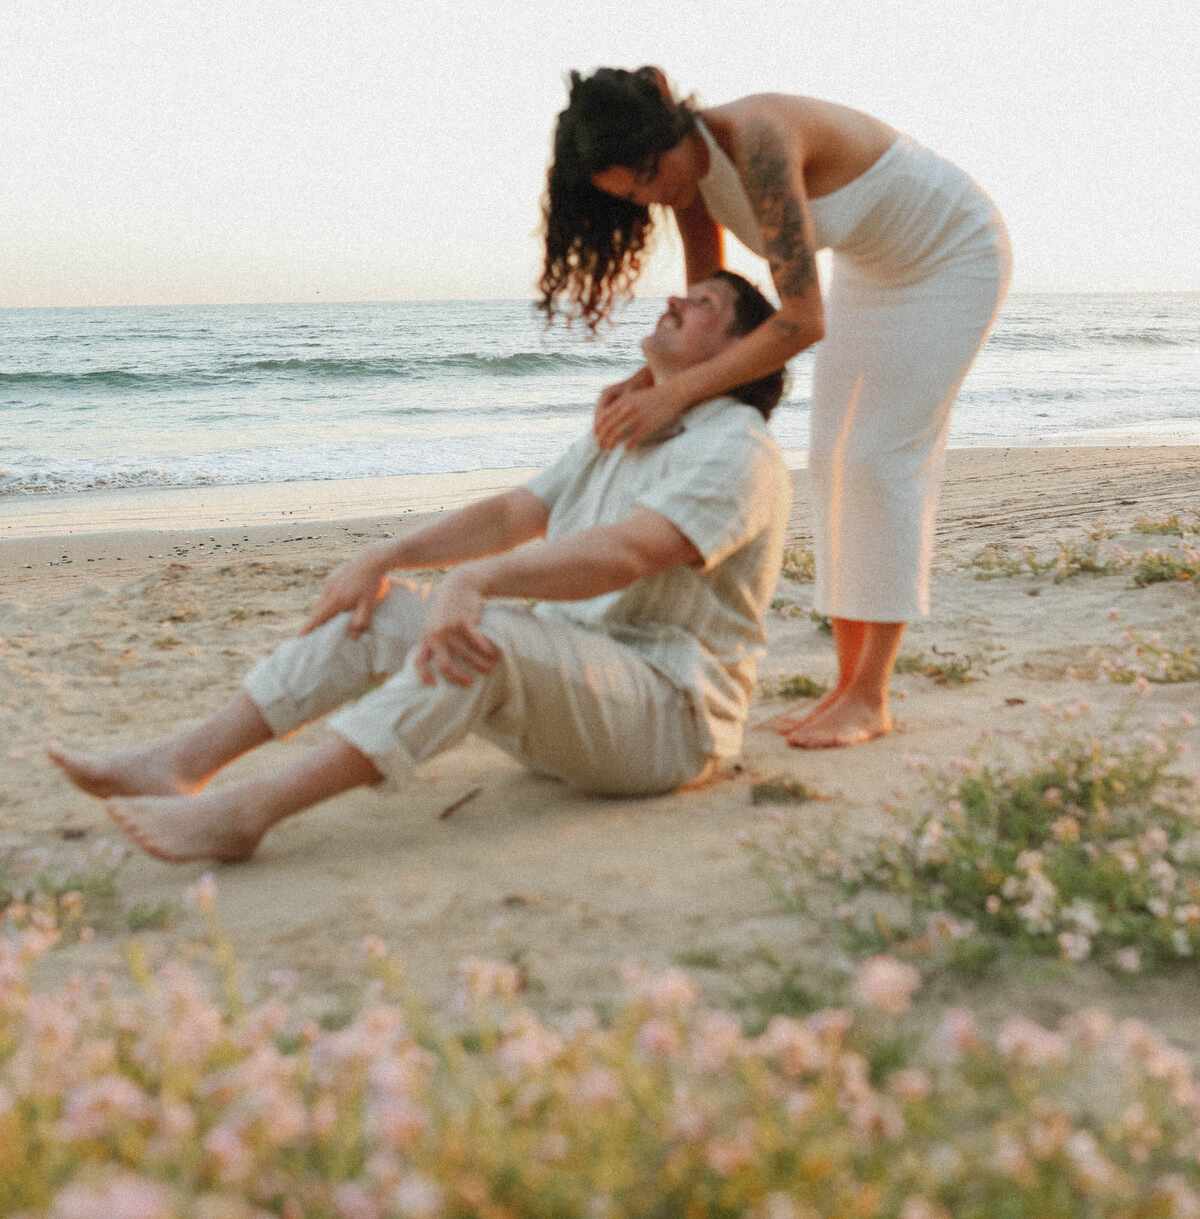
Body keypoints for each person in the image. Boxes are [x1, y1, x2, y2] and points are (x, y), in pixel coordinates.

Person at [46, 273, 791, 864]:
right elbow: (511, 515)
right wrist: (385, 554)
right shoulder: (628, 427)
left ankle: (246, 814)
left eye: (701, 304)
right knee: (391, 606)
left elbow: (630, 552)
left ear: (741, 350)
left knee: (484, 629)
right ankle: (179, 763)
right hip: (577, 700)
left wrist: (479, 581)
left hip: (669, 719)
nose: (674, 302)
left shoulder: (738, 447)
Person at [541, 67, 1012, 747]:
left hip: (951, 254)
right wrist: (648, 378)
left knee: (878, 461)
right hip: (872, 269)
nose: (655, 193)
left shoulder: (758, 139)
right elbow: (714, 295)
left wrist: (671, 392)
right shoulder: (682, 176)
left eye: (650, 173)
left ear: (671, 120)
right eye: (634, 192)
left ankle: (868, 697)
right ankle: (846, 686)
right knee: (832, 462)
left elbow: (801, 321)